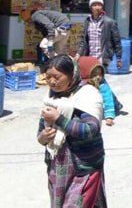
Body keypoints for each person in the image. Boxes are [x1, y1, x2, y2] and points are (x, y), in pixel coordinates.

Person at [37, 54, 107, 207]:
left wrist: (59, 119)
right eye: (48, 77)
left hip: (83, 167)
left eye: (57, 77)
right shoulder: (51, 98)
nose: (52, 82)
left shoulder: (87, 95)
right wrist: (43, 137)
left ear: (71, 75)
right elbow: (41, 132)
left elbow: (90, 130)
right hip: (59, 167)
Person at [76, 0, 123, 70]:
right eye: (94, 5)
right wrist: (78, 54)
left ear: (102, 7)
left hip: (103, 59)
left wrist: (119, 59)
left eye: (99, 5)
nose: (97, 7)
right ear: (91, 8)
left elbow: (117, 42)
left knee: (99, 78)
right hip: (90, 58)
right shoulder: (87, 22)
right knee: (91, 79)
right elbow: (83, 41)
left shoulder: (110, 22)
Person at [78, 56, 123, 126]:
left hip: (111, 103)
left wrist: (109, 117)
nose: (98, 77)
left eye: (100, 74)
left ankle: (117, 106)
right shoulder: (82, 83)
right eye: (95, 75)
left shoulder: (102, 85)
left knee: (109, 96)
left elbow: (108, 100)